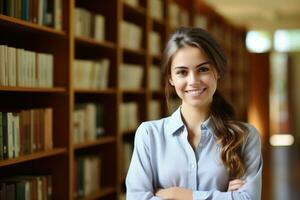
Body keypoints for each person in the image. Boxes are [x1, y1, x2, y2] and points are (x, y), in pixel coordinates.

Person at [126, 27, 262, 200]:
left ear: (217, 71)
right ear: (170, 78)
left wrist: (178, 194)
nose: (193, 81)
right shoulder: (149, 135)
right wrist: (223, 197)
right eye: (182, 72)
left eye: (203, 69)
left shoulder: (246, 136)